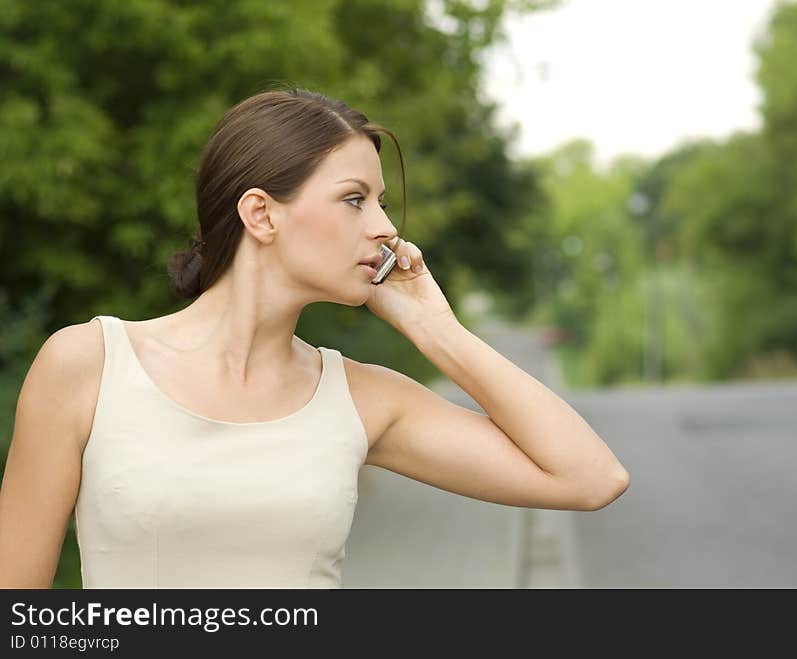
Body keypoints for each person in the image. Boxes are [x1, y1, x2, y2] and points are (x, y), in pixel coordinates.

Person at [0, 88, 629, 589]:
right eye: (355, 200)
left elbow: (590, 477)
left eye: (381, 202)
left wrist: (436, 329)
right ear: (261, 213)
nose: (385, 228)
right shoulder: (89, 365)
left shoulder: (364, 398)